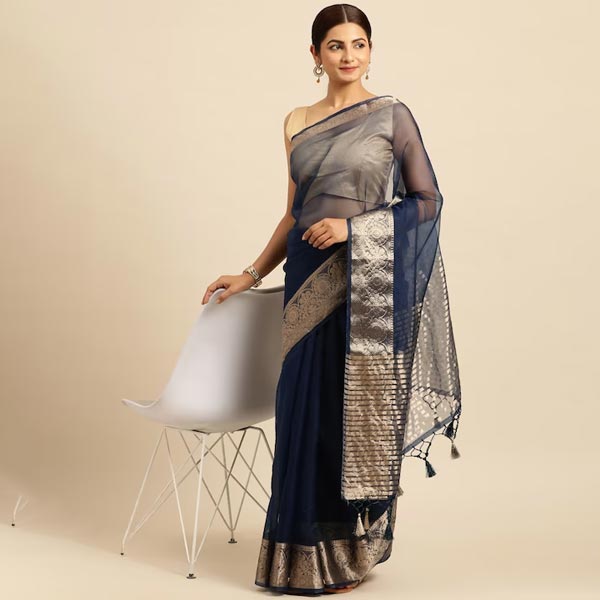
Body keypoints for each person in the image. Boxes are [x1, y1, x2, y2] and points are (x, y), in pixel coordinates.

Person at [202, 3, 462, 595]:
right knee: (302, 409)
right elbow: (293, 213)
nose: (350, 55)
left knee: (350, 415)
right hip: (305, 278)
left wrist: (353, 229)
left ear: (371, 50)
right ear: (316, 54)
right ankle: (296, 555)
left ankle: (346, 556)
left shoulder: (392, 116)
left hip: (363, 283)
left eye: (359, 44)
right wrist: (250, 273)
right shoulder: (296, 121)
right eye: (337, 45)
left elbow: (427, 201)